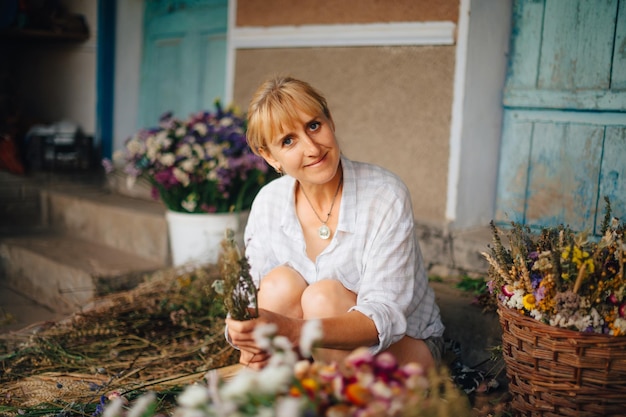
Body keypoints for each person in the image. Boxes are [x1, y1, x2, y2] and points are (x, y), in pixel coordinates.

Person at [226, 76, 444, 371]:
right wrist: (243, 333)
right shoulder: (269, 201)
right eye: (288, 141)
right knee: (278, 286)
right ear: (269, 156)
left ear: (330, 121)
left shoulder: (384, 195)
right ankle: (281, 396)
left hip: (402, 350)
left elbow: (384, 316)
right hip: (309, 350)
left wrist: (292, 330)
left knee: (322, 298)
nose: (312, 149)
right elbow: (247, 294)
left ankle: (345, 402)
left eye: (314, 125)